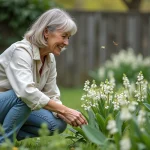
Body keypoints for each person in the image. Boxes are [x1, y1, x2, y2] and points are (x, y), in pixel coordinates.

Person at [0, 8, 87, 143]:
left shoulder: (49, 59)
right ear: (46, 32)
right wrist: (65, 110)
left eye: (68, 38)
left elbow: (52, 94)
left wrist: (64, 114)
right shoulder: (21, 51)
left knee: (57, 124)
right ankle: (5, 143)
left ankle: (8, 132)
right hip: (8, 101)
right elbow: (26, 92)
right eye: (63, 36)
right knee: (25, 98)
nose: (66, 43)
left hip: (13, 107)